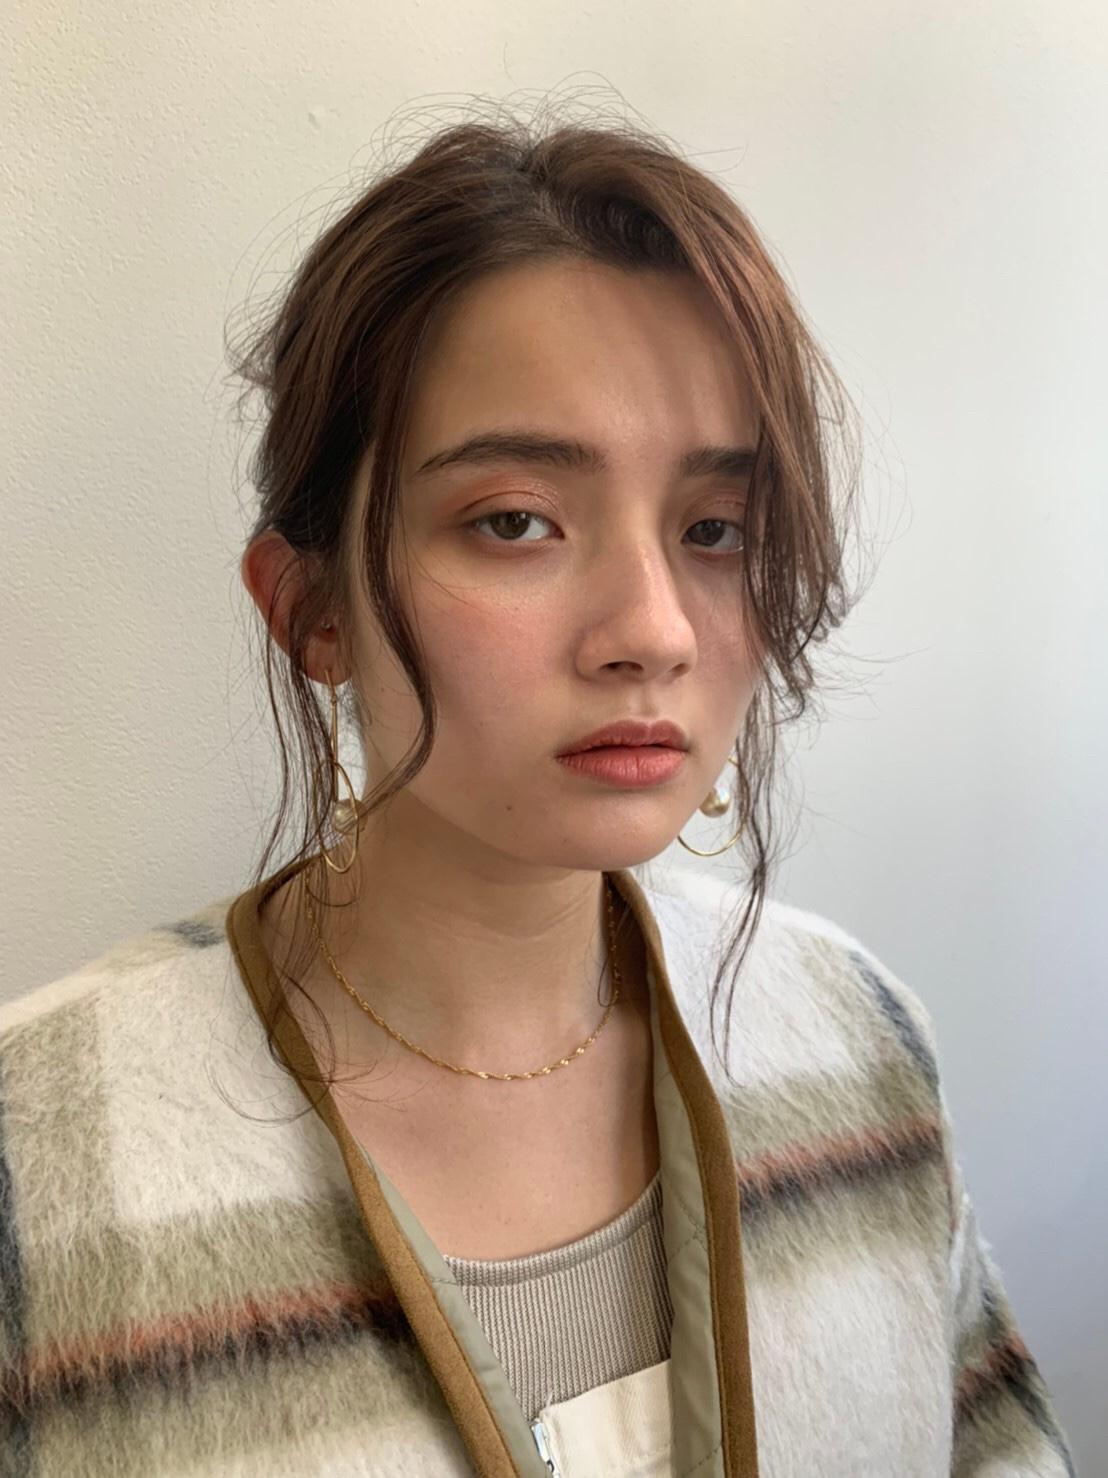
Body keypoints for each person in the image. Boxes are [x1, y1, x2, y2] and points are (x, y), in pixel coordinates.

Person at [0, 106, 1074, 1476]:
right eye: (516, 521)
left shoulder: (856, 1040)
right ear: (310, 608)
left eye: (715, 529)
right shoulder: (41, 1147)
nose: (652, 630)